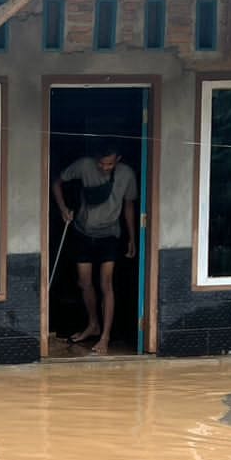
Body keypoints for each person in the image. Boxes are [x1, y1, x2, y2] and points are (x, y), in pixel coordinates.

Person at [52, 143, 138, 354]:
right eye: (101, 163)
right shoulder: (83, 165)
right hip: (83, 232)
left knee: (106, 284)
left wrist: (132, 238)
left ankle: (105, 337)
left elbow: (129, 206)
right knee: (84, 283)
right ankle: (93, 324)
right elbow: (56, 182)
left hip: (110, 235)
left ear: (118, 159)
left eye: (109, 164)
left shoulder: (127, 174)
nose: (104, 168)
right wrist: (63, 209)